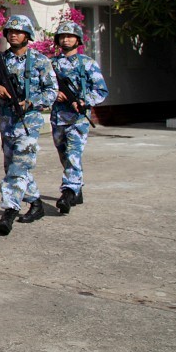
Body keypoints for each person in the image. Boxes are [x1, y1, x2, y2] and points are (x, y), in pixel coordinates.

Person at [0, 14, 58, 235]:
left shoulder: (40, 61)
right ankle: (36, 203)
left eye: (18, 31)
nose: (13, 34)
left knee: (19, 166)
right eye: (10, 31)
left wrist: (31, 101)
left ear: (27, 35)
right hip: (7, 122)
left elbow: (51, 92)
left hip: (28, 121)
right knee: (13, 165)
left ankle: (10, 210)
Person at [50, 21, 108, 213]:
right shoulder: (52, 64)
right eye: (62, 36)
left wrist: (84, 100)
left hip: (78, 118)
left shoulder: (88, 63)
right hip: (58, 117)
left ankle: (67, 193)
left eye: (69, 36)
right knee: (64, 155)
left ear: (78, 39)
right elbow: (41, 87)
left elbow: (101, 90)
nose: (65, 39)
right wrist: (54, 94)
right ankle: (77, 188)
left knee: (74, 155)